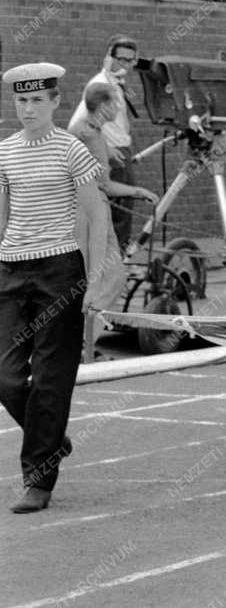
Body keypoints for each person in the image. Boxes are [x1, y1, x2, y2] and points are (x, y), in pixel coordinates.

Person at [0, 62, 107, 514]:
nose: (28, 109)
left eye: (37, 101)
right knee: (5, 376)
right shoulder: (4, 152)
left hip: (59, 271)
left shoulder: (71, 150)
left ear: (56, 102)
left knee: (49, 378)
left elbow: (97, 216)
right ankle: (51, 438)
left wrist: (96, 280)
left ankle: (38, 481)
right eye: (21, 101)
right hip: (10, 270)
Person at [67, 80, 160, 310]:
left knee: (91, 279)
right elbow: (105, 187)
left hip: (85, 210)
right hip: (90, 212)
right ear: (103, 106)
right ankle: (85, 338)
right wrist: (138, 191)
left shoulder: (86, 129)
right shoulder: (89, 134)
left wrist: (108, 151)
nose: (119, 107)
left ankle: (82, 338)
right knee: (111, 278)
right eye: (116, 102)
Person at [70, 36, 142, 253]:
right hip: (112, 150)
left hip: (120, 147)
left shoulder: (116, 83)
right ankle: (114, 264)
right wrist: (106, 147)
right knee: (120, 209)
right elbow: (78, 122)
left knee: (120, 211)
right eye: (121, 59)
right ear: (109, 57)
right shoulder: (100, 85)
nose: (125, 66)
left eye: (130, 61)